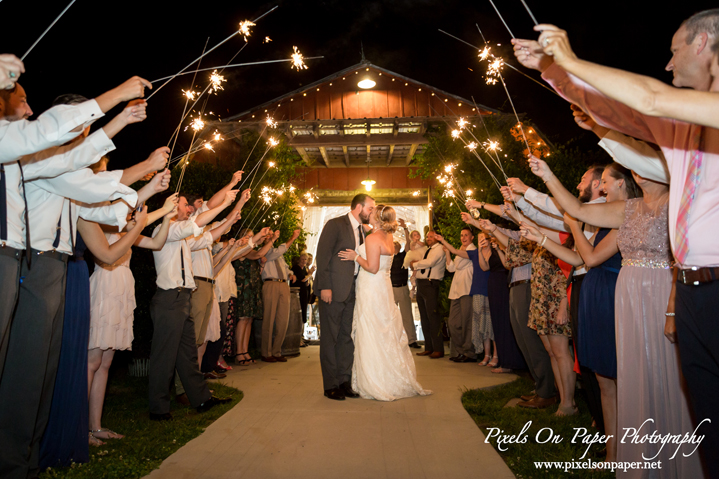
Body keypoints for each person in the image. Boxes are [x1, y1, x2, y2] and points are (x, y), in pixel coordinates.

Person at [513, 13, 718, 472]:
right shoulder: (684, 132)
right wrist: (554, 73)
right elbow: (627, 125)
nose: (668, 63)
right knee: (705, 419)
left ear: (704, 42)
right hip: (689, 291)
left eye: (675, 50)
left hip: (711, 288)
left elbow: (648, 97)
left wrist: (566, 59)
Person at [529, 155, 702, 476]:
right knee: (633, 375)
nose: (638, 168)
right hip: (627, 297)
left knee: (664, 372)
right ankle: (637, 458)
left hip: (660, 292)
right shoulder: (629, 209)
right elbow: (578, 211)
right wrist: (547, 174)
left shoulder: (678, 203)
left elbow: (686, 258)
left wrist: (673, 308)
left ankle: (672, 458)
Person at [522, 162, 640, 460]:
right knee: (603, 378)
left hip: (610, 295)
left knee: (615, 376)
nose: (600, 185)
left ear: (619, 184)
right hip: (594, 293)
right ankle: (612, 452)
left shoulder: (626, 214)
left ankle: (627, 449)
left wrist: (573, 222)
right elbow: (577, 259)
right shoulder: (607, 217)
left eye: (605, 181)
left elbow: (591, 257)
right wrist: (542, 240)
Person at [87, 193, 178, 446]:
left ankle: (95, 427)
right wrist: (161, 210)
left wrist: (168, 217)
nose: (130, 212)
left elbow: (157, 243)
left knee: (105, 362)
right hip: (106, 285)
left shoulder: (128, 229)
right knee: (92, 360)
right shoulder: (104, 223)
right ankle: (78, 428)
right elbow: (138, 221)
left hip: (122, 287)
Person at [147, 192, 236, 421]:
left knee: (187, 354)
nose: (189, 209)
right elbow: (196, 223)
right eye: (186, 205)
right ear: (172, 208)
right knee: (164, 356)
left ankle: (201, 398)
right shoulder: (164, 230)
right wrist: (225, 203)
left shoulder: (182, 235)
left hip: (183, 298)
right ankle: (158, 408)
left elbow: (207, 237)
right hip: (170, 299)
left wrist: (229, 219)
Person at [338, 205, 431, 401]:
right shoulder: (387, 236)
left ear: (377, 218)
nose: (367, 213)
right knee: (384, 329)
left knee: (370, 328)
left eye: (371, 212)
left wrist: (355, 256)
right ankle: (388, 376)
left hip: (371, 286)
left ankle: (374, 380)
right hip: (384, 287)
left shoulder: (373, 238)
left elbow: (372, 267)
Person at [315, 193, 376, 400]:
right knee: (330, 339)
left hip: (352, 292)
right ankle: (330, 385)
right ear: (359, 207)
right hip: (332, 290)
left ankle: (344, 381)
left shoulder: (362, 231)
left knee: (345, 339)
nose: (372, 212)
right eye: (370, 208)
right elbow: (322, 255)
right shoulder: (335, 224)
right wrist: (324, 286)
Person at [229, 228, 273, 365]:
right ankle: (239, 352)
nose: (250, 238)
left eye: (252, 236)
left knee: (249, 320)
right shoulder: (244, 251)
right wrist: (272, 240)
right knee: (242, 320)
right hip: (243, 288)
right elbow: (258, 253)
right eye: (248, 236)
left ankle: (245, 350)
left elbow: (256, 271)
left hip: (253, 289)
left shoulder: (251, 252)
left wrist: (262, 265)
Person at [260, 229, 301, 363]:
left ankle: (277, 351)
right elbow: (274, 255)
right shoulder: (263, 251)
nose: (271, 236)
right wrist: (292, 238)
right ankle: (266, 353)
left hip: (284, 285)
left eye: (272, 235)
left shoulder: (277, 252)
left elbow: (283, 266)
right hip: (270, 284)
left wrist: (290, 273)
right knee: (269, 319)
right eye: (269, 235)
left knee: (283, 320)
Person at [441, 227, 477, 362]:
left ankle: (469, 353)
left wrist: (452, 249)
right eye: (462, 235)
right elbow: (451, 268)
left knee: (467, 322)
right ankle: (461, 351)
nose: (463, 237)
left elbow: (459, 266)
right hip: (456, 292)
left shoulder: (472, 250)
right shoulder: (460, 252)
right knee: (453, 323)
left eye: (466, 235)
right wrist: (447, 253)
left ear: (472, 237)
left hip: (467, 290)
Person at [411, 231, 447, 358]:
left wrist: (414, 264)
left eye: (431, 236)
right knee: (424, 318)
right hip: (422, 284)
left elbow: (430, 263)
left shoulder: (439, 249)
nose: (428, 238)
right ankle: (429, 347)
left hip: (431, 284)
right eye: (427, 237)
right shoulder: (429, 249)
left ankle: (438, 348)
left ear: (438, 237)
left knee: (433, 317)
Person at [391, 219, 419, 348]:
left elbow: (408, 243)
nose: (394, 245)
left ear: (399, 247)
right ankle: (392, 340)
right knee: (390, 316)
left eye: (396, 244)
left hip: (402, 288)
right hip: (390, 289)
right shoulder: (387, 257)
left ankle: (412, 340)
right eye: (393, 244)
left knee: (407, 315)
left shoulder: (403, 256)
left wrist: (405, 229)